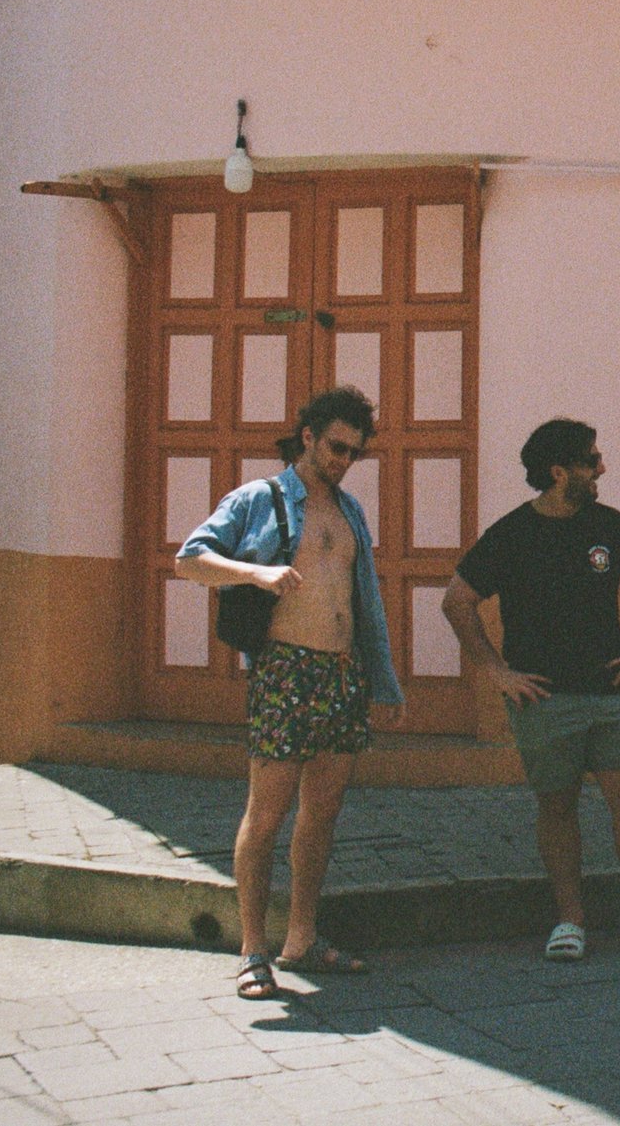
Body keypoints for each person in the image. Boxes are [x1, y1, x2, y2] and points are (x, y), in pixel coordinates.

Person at [441, 419, 620, 964]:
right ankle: (570, 921)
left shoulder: (609, 526)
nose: (602, 467)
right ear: (560, 472)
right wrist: (497, 671)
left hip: (614, 692)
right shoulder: (512, 534)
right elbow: (457, 601)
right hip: (544, 698)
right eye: (591, 460)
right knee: (557, 806)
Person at [178, 385, 403, 1000]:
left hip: (342, 674)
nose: (343, 460)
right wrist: (254, 571)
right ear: (308, 437)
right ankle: (253, 950)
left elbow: (362, 599)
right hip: (285, 672)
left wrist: (378, 676)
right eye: (335, 447)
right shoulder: (260, 498)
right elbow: (189, 559)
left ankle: (302, 937)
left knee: (322, 812)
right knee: (267, 813)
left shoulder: (351, 510)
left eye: (353, 452)